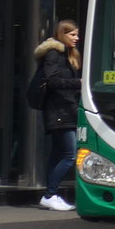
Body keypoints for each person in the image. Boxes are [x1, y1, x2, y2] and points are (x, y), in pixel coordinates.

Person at [34, 20, 82, 211]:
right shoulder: (54, 54)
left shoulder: (67, 55)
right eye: (72, 35)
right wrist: (79, 83)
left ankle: (51, 194)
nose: (76, 38)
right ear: (63, 34)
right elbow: (52, 81)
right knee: (70, 155)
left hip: (65, 109)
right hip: (59, 111)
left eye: (77, 34)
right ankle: (49, 194)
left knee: (56, 155)